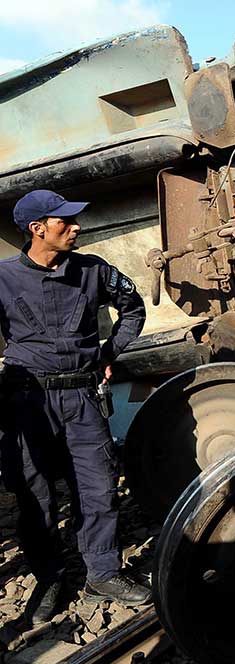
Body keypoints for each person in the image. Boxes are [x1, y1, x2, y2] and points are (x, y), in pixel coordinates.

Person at [0, 190, 151, 625]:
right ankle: (49, 578)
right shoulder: (4, 278)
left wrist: (108, 354)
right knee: (36, 496)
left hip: (83, 398)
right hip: (29, 404)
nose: (76, 226)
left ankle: (103, 572)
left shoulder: (94, 271)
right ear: (37, 228)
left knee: (99, 487)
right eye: (64, 221)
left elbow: (133, 310)